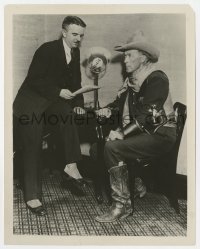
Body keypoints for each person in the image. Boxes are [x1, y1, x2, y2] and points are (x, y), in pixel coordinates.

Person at [91, 30, 177, 223]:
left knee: (112, 147)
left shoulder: (156, 78)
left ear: (144, 57)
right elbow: (119, 104)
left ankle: (122, 206)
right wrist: (107, 110)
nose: (125, 60)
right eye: (124, 56)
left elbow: (147, 114)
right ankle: (136, 183)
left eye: (129, 55)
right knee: (98, 149)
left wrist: (122, 133)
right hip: (144, 133)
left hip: (160, 134)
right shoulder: (132, 81)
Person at [13, 16, 87, 216]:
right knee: (33, 145)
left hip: (51, 102)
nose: (78, 38)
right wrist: (58, 92)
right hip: (30, 104)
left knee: (67, 114)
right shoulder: (47, 49)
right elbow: (34, 79)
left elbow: (75, 81)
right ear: (63, 32)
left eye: (81, 35)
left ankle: (71, 165)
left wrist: (79, 104)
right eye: (74, 34)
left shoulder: (75, 51)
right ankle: (32, 196)